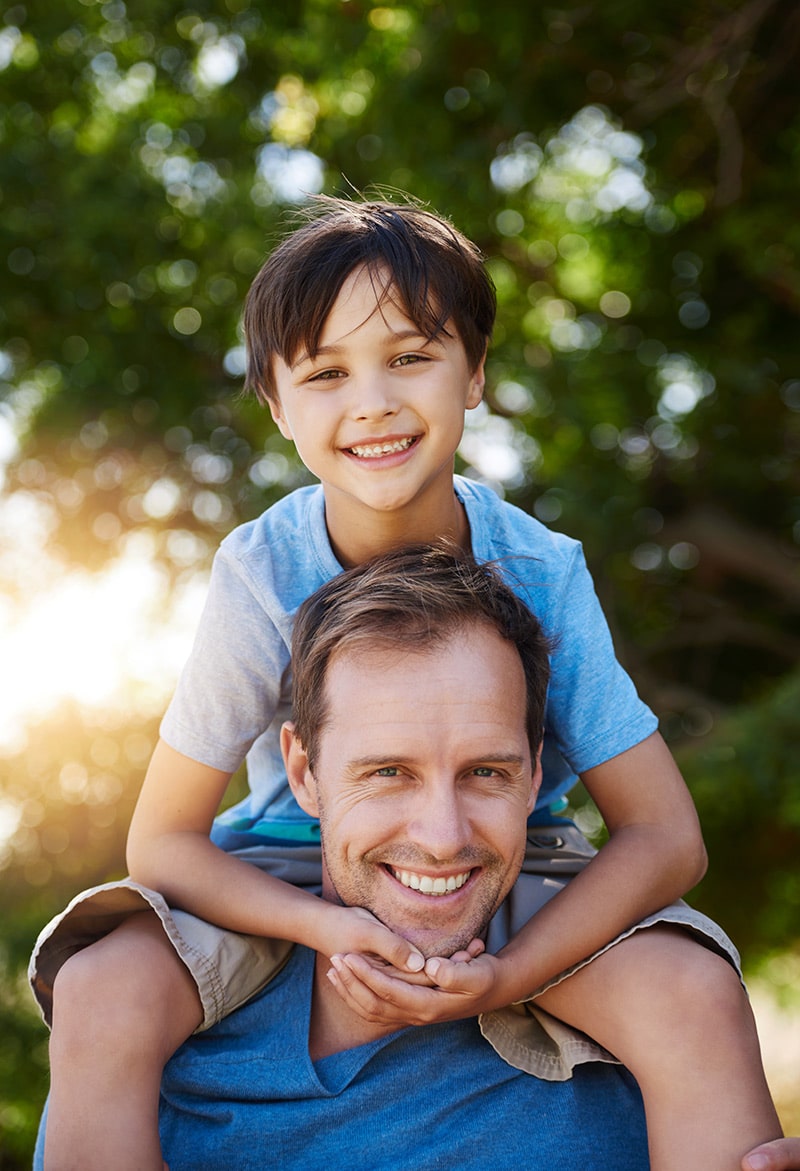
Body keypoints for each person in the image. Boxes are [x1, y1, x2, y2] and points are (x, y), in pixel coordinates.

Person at [29, 196, 788, 1170]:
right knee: (103, 986)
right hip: (289, 868)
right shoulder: (260, 570)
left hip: (508, 855)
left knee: (691, 995)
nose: (372, 402)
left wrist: (509, 971)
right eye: (326, 373)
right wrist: (326, 926)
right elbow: (161, 840)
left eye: (410, 357)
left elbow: (663, 835)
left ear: (473, 372)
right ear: (274, 401)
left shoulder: (539, 567)